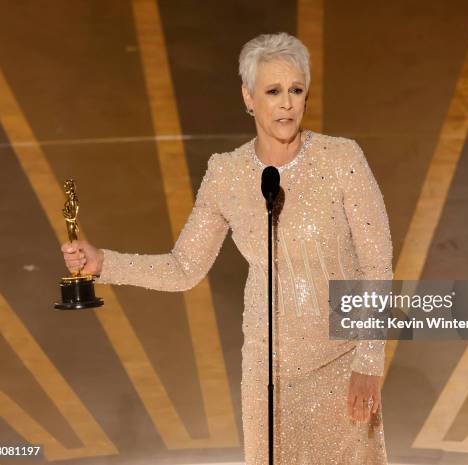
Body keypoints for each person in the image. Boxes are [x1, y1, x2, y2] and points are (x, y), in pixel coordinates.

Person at [61, 32, 392, 465]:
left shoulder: (342, 158)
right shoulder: (227, 174)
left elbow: (376, 263)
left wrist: (368, 362)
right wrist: (103, 263)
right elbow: (184, 268)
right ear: (248, 97)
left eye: (296, 90)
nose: (287, 104)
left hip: (341, 362)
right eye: (273, 91)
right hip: (266, 373)